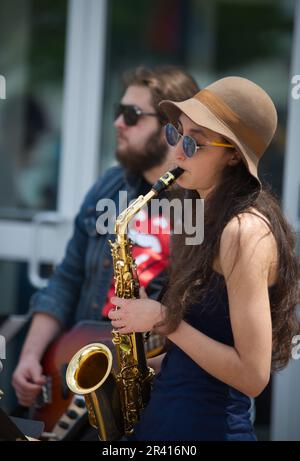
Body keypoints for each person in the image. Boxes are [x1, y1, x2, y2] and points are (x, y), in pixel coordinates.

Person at [109, 76, 300, 441]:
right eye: (176, 133)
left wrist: (164, 321)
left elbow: (252, 375)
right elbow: (206, 351)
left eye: (195, 142)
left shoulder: (244, 233)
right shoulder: (204, 217)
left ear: (233, 155)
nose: (178, 152)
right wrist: (135, 370)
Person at [12, 66, 199, 411]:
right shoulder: (108, 187)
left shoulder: (202, 206)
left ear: (170, 129)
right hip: (76, 372)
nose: (118, 124)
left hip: (153, 394)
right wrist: (30, 357)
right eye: (118, 112)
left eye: (131, 115)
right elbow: (66, 280)